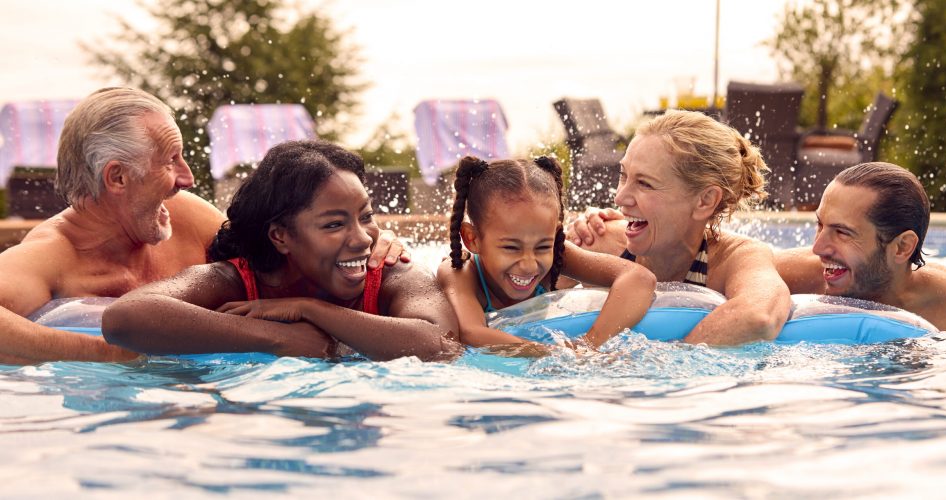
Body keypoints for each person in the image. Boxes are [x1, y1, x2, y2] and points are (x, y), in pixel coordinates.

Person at [0, 87, 405, 364]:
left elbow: (287, 250)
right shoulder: (49, 257)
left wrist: (367, 239)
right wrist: (119, 354)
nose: (187, 177)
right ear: (117, 177)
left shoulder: (187, 217)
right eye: (171, 159)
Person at [103, 140, 461, 361]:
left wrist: (311, 310)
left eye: (365, 216)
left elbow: (443, 345)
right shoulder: (239, 280)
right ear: (280, 237)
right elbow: (125, 317)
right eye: (334, 224)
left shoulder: (389, 273)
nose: (363, 238)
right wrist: (281, 338)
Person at [565, 110, 790, 345]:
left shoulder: (735, 258)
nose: (620, 198)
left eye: (644, 183)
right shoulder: (599, 242)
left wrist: (664, 363)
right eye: (623, 176)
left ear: (704, 201)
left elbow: (759, 316)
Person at [436, 155, 656, 351]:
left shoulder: (559, 253)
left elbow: (640, 279)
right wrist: (553, 353)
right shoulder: (460, 272)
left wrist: (590, 345)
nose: (529, 264)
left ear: (555, 234)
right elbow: (471, 333)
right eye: (511, 248)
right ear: (472, 238)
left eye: (542, 247)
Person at [775, 162, 946, 332]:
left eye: (842, 232)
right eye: (820, 225)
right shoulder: (794, 275)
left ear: (902, 247)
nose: (818, 248)